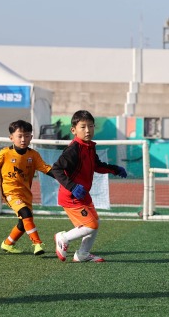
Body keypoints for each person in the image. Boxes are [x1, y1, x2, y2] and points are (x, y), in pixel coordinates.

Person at [52, 110, 127, 263]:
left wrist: (115, 169)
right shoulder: (73, 149)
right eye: (83, 127)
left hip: (83, 194)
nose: (88, 130)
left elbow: (97, 165)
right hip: (71, 196)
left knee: (95, 223)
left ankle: (82, 254)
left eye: (91, 126)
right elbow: (56, 169)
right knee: (90, 225)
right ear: (73, 130)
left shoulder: (89, 146)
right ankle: (63, 238)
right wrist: (72, 187)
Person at [0, 120, 54, 255]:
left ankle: (8, 244)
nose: (23, 139)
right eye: (20, 136)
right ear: (11, 137)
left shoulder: (33, 155)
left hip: (26, 193)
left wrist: (63, 178)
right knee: (26, 214)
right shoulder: (5, 153)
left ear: (31, 137)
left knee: (23, 223)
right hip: (10, 192)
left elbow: (46, 169)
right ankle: (37, 244)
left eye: (27, 136)